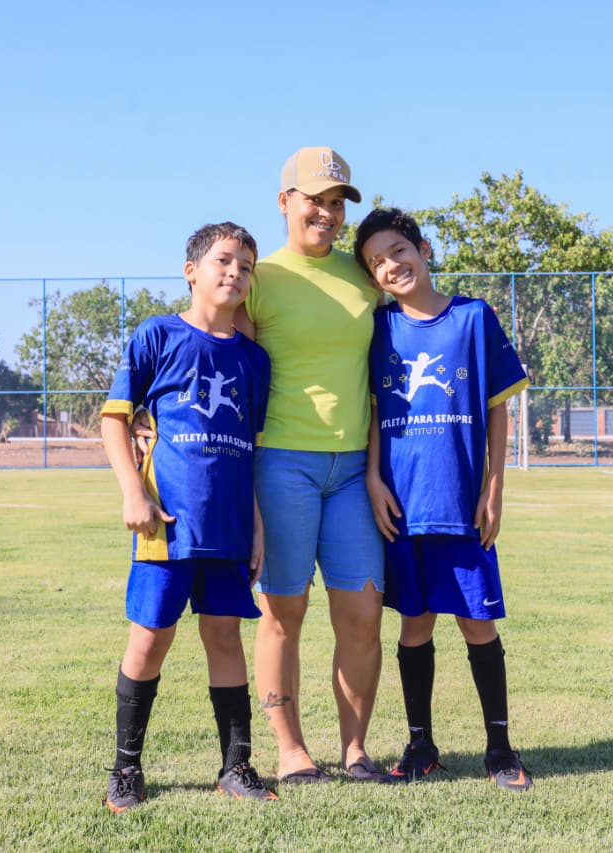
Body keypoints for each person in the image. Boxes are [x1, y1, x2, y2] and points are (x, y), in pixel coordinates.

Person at [354, 207, 534, 790]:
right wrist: (374, 478)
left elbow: (499, 406)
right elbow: (376, 411)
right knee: (414, 625)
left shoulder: (473, 318)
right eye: (377, 262)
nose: (391, 265)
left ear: (423, 249)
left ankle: (501, 749)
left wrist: (495, 485)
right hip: (402, 506)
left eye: (398, 251)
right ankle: (420, 746)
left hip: (460, 501)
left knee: (477, 624)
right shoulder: (379, 329)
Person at [100, 222, 277, 812]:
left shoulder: (254, 361)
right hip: (166, 525)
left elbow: (249, 447)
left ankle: (236, 765)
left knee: (225, 636)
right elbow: (114, 419)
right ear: (192, 271)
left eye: (246, 266)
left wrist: (254, 522)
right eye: (224, 261)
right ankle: (126, 768)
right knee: (149, 639)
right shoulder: (157, 336)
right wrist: (133, 492)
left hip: (227, 526)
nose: (235, 273)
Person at [232, 147, 386, 783]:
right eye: (314, 199)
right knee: (282, 613)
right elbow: (224, 368)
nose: (326, 212)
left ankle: (355, 750)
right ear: (284, 201)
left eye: (337, 202)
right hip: (281, 464)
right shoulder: (259, 277)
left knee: (363, 614)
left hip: (353, 469)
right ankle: (290, 751)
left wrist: (376, 468)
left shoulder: (365, 277)